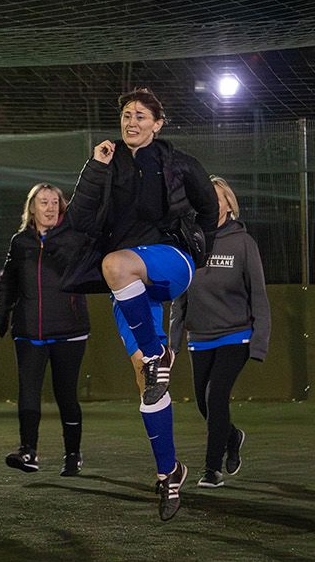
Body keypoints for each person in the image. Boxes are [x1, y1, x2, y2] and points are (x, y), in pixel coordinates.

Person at [60, 87, 218, 521]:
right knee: (147, 381)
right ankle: (170, 471)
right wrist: (95, 168)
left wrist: (200, 253)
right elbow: (79, 220)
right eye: (127, 115)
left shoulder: (180, 163)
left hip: (170, 261)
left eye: (141, 116)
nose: (132, 122)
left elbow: (208, 210)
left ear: (157, 123)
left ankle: (158, 352)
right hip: (126, 283)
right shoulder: (106, 164)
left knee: (116, 265)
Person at [169, 176, 269, 489]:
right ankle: (232, 436)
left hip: (235, 334)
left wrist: (259, 342)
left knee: (216, 397)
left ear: (228, 204)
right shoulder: (189, 241)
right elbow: (179, 298)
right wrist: (172, 345)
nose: (211, 202)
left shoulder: (243, 243)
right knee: (204, 404)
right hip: (199, 337)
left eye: (218, 197)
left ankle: (212, 469)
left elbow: (259, 295)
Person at [0, 183, 91, 477]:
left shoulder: (75, 239)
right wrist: (2, 311)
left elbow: (85, 272)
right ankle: (28, 452)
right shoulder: (20, 242)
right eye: (43, 202)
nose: (49, 207)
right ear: (32, 207)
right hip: (29, 332)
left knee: (66, 394)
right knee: (28, 391)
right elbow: (9, 281)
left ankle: (72, 455)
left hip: (69, 331)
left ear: (62, 207)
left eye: (54, 202)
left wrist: (60, 245)